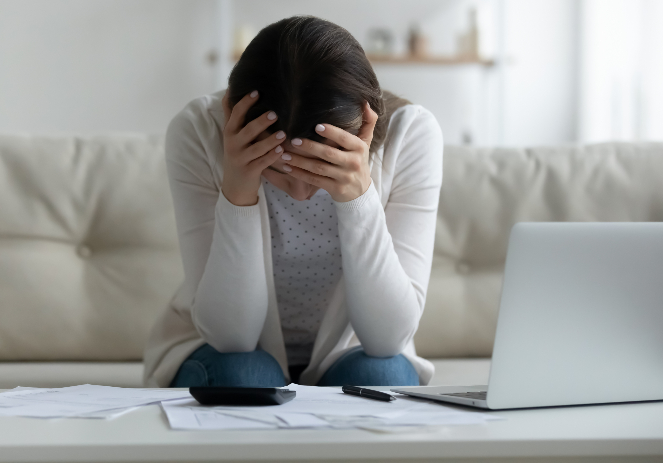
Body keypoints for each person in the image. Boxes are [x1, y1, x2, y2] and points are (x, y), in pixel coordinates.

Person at [143, 16, 443, 388]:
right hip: (218, 351)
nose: (300, 192)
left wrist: (358, 199)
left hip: (354, 351)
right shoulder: (200, 132)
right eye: (279, 171)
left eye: (322, 169)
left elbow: (388, 340)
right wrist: (238, 192)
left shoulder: (410, 133)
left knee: (383, 375)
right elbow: (231, 338)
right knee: (247, 375)